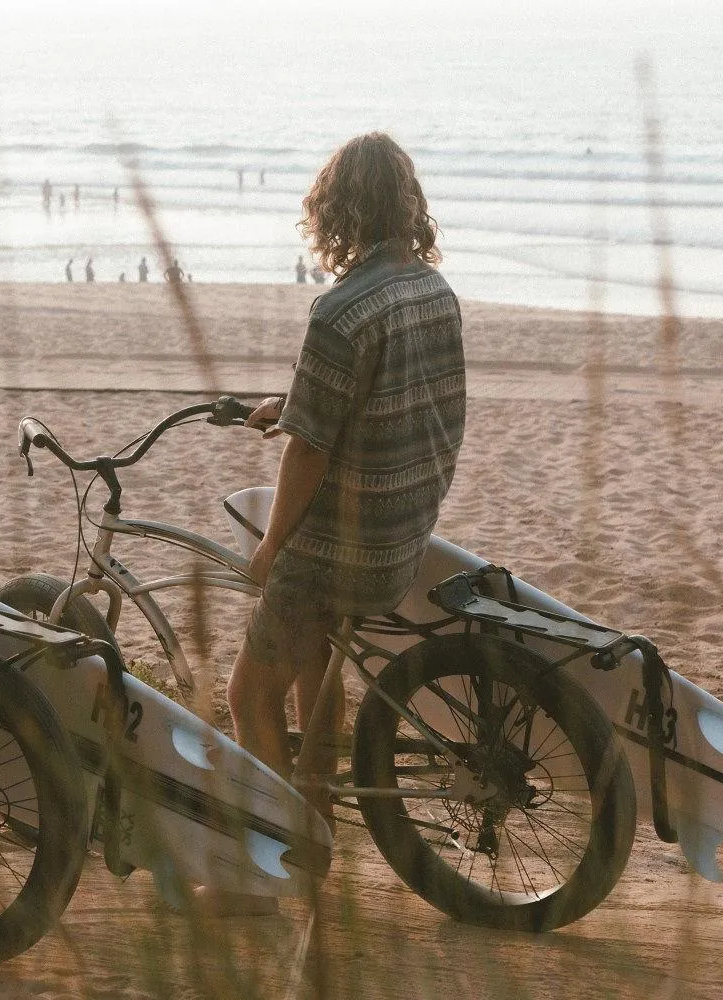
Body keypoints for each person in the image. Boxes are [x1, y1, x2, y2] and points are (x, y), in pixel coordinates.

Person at [205, 131, 464, 913]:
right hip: (402, 532)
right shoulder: (432, 290)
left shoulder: (341, 310)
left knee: (248, 694)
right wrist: (293, 409)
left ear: (336, 209)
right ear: (407, 204)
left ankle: (272, 860)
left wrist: (273, 547)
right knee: (315, 678)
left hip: (338, 547)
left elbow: (309, 456)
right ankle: (313, 823)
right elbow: (392, 403)